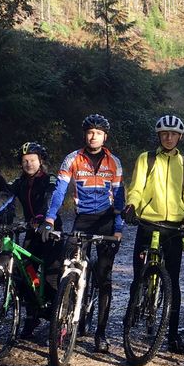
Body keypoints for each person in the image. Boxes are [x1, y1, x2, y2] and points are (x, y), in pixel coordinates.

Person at [42, 114, 124, 353]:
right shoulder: (73, 159)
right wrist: (49, 217)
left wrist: (118, 228)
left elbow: (119, 196)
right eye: (90, 132)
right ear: (85, 134)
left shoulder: (114, 162)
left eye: (98, 133)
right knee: (70, 267)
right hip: (83, 219)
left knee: (104, 277)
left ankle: (101, 333)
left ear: (105, 137)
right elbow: (59, 191)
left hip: (107, 220)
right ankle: (65, 322)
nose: (93, 136)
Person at [123, 115, 184, 354]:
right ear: (159, 136)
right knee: (138, 279)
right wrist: (132, 206)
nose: (169, 137)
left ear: (180, 137)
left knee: (173, 283)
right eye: (165, 133)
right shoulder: (147, 158)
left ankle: (173, 335)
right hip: (147, 223)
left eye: (173, 134)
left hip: (173, 228)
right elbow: (136, 188)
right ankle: (130, 316)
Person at [0, 142, 62, 336]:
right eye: (25, 161)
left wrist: (43, 216)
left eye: (32, 160)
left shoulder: (49, 180)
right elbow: (1, 200)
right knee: (23, 272)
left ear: (40, 161)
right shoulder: (20, 182)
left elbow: (51, 198)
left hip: (51, 231)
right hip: (31, 231)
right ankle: (32, 315)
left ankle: (59, 314)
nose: (29, 164)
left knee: (51, 274)